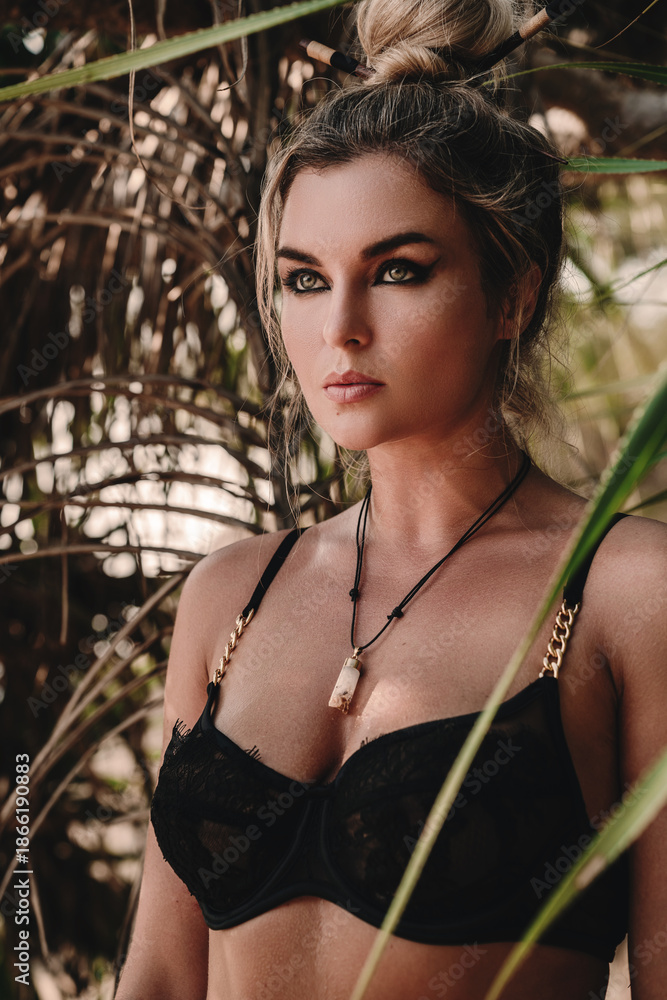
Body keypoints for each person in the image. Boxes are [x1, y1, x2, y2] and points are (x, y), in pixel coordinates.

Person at [115, 0, 667, 997]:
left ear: (513, 296)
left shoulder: (626, 594)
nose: (342, 330)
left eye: (398, 271)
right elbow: (157, 976)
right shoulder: (229, 597)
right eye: (304, 280)